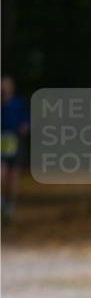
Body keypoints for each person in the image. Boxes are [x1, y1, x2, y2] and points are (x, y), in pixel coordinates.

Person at [1, 76, 30, 223]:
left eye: (5, 85)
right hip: (1, 142)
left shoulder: (19, 103)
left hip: (15, 142)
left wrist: (25, 127)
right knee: (1, 173)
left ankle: (9, 205)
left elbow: (27, 121)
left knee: (13, 177)